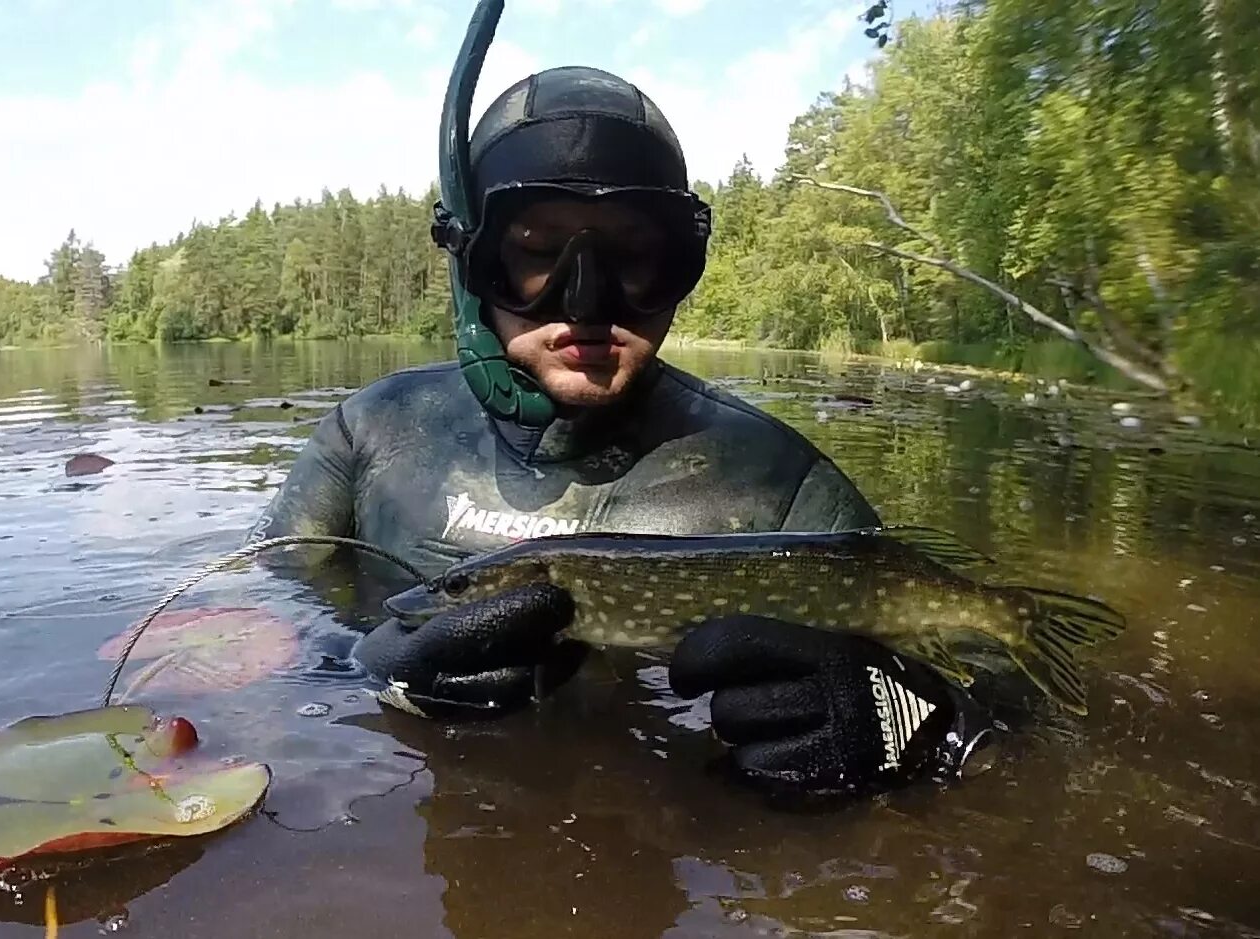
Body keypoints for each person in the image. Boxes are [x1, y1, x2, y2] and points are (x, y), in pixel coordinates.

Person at [249, 0, 995, 798]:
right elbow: (267, 622)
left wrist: (904, 721)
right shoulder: (369, 431)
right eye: (536, 252)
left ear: (682, 264)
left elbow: (996, 694)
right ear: (474, 259)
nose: (587, 301)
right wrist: (370, 664)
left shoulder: (783, 484)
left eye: (636, 254)